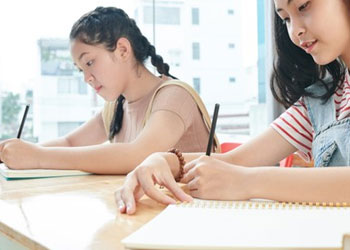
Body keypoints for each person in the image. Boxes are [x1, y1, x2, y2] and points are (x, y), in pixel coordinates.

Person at [115, 0, 350, 215]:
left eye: (303, 6)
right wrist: (164, 162)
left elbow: (241, 173)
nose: (295, 31)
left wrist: (248, 182)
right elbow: (236, 160)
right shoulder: (322, 99)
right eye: (286, 19)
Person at [0, 7, 218, 173]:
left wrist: (38, 157)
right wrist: (16, 152)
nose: (86, 78)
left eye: (89, 62)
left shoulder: (174, 96)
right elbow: (70, 143)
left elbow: (139, 155)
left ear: (123, 50)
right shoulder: (116, 107)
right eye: (80, 70)